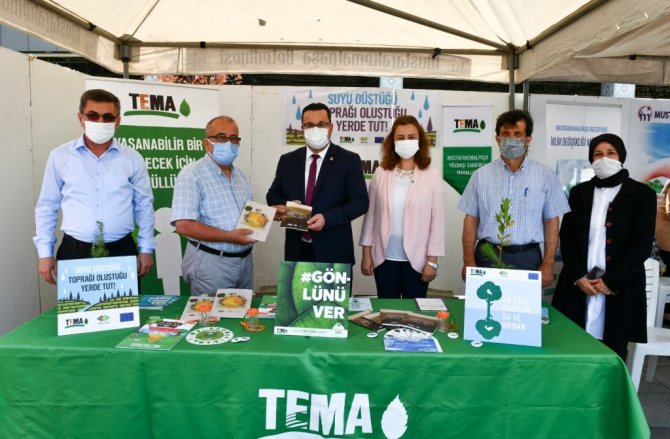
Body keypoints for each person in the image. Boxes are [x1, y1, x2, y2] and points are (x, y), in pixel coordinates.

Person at [34, 89, 155, 285]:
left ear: (117, 121)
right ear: (80, 118)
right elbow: (47, 206)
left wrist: (147, 249)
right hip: (75, 253)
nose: (100, 121)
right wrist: (45, 253)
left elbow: (144, 206)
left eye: (107, 117)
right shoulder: (60, 156)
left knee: (122, 305)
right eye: (92, 115)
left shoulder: (133, 159)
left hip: (121, 252)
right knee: (77, 306)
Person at [552, 133, 656, 359]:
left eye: (611, 153)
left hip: (619, 288)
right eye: (598, 154)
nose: (604, 159)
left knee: (612, 353)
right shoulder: (579, 193)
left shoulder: (642, 194)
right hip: (579, 286)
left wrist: (611, 281)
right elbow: (567, 237)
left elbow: (641, 244)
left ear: (621, 157)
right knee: (572, 349)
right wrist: (578, 275)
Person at [457, 110, 569, 287]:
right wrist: (468, 260)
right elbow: (471, 220)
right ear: (497, 139)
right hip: (487, 256)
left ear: (528, 139)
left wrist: (548, 264)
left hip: (527, 258)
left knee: (523, 305)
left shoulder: (545, 176)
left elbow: (551, 222)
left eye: (517, 134)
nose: (511, 138)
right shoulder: (480, 176)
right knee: (487, 303)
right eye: (505, 134)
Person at [266, 102, 368, 266]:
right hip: (297, 250)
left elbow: (360, 202)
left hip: (334, 252)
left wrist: (327, 219)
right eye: (309, 125)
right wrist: (287, 207)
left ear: (330, 128)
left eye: (321, 125)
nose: (315, 130)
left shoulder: (349, 160)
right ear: (302, 129)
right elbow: (272, 196)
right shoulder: (287, 161)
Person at [359, 115, 445, 298]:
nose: (406, 141)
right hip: (383, 257)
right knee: (386, 308)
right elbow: (370, 216)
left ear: (420, 140)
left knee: (413, 310)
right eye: (400, 137)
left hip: (418, 260)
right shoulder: (381, 173)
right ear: (393, 141)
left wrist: (432, 261)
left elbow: (437, 222)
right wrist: (366, 253)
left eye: (411, 137)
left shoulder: (432, 175)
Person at [171, 115, 255, 294]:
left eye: (234, 138)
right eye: (221, 137)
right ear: (207, 143)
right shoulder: (192, 174)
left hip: (245, 262)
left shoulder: (240, 175)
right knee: (211, 312)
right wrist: (230, 237)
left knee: (244, 311)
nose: (229, 143)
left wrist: (274, 213)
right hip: (211, 263)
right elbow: (183, 225)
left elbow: (248, 216)